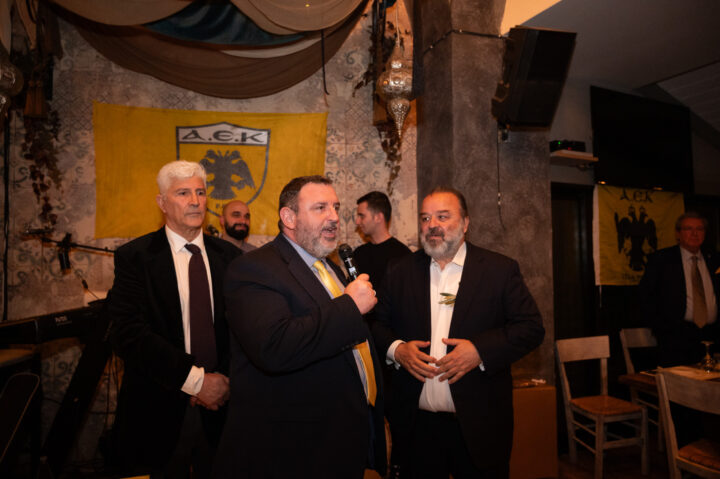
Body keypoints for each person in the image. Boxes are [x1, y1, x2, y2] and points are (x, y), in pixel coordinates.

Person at [214, 175, 386, 478]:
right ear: (289, 217)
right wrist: (350, 306)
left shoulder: (331, 268)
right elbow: (274, 346)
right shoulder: (253, 268)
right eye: (320, 208)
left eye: (335, 207)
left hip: (342, 436)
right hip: (293, 450)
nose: (334, 217)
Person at [373, 187, 544, 478]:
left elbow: (531, 327)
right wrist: (397, 350)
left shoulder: (499, 270)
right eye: (425, 218)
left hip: (479, 427)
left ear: (465, 223)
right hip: (416, 429)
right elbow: (376, 326)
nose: (432, 225)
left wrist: (479, 350)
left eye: (442, 217)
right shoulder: (399, 270)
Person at [107, 161, 241, 477]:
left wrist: (225, 382)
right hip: (158, 410)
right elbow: (127, 334)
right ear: (162, 203)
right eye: (183, 193)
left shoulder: (231, 258)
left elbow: (243, 330)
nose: (195, 201)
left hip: (223, 409)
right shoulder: (135, 257)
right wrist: (196, 382)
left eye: (200, 193)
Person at [639, 211, 720, 367]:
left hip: (712, 337)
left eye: (700, 229)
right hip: (676, 338)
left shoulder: (714, 259)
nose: (695, 234)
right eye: (688, 229)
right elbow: (646, 297)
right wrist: (662, 329)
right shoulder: (662, 259)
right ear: (678, 233)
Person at [354, 191, 411, 286]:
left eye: (362, 216)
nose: (357, 221)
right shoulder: (358, 254)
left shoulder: (403, 256)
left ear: (378, 217)